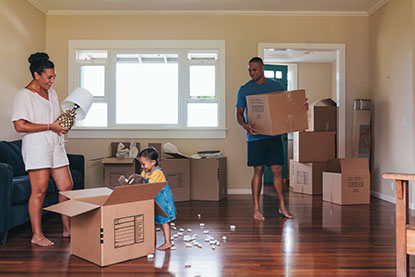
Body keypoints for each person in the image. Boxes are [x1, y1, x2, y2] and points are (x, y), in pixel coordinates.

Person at [11, 52, 73, 246]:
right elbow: (20, 126)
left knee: (67, 186)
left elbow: (53, 119)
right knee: (40, 190)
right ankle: (37, 235)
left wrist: (63, 122)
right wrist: (50, 126)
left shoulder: (52, 93)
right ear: (37, 75)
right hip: (37, 147)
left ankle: (67, 229)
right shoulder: (24, 95)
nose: (52, 80)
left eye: (54, 76)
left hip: (55, 144)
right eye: (49, 77)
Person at [236, 57, 308, 221]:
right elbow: (239, 114)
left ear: (262, 69)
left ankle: (282, 206)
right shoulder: (244, 89)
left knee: (277, 171)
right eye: (249, 70)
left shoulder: (276, 86)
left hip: (274, 136)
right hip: (255, 138)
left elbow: (287, 107)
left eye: (254, 69)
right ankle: (256, 208)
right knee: (258, 170)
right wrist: (246, 126)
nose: (252, 73)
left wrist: (301, 107)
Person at [139, 147, 177, 251]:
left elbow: (149, 187)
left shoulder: (157, 173)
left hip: (163, 201)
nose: (142, 167)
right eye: (141, 164)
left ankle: (168, 242)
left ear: (153, 162)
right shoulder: (145, 172)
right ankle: (152, 240)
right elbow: (140, 181)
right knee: (153, 220)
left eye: (144, 164)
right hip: (154, 200)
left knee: (164, 221)